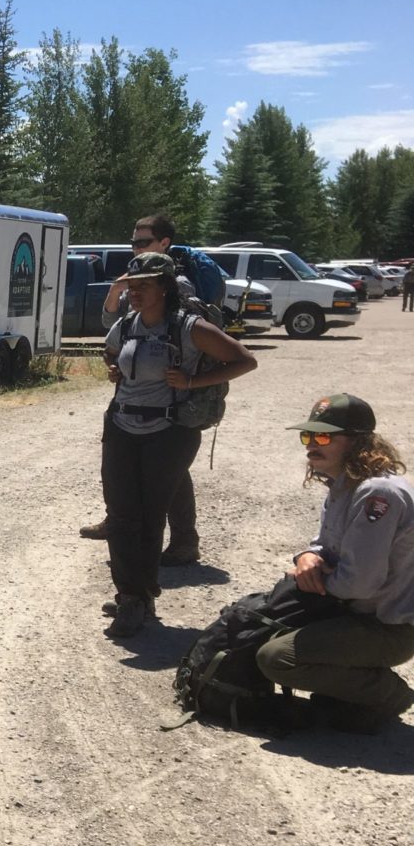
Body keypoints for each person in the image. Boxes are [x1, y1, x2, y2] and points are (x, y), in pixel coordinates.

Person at [99, 253, 257, 638]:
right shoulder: (128, 324)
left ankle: (137, 597)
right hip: (121, 424)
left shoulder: (189, 328)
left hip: (170, 432)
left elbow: (244, 360)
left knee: (150, 517)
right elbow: (110, 352)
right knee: (120, 516)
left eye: (144, 285)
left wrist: (191, 383)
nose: (134, 293)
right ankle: (132, 594)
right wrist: (115, 368)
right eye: (132, 286)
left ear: (165, 288)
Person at [255, 395, 414, 731]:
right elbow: (324, 545)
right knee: (258, 630)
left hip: (387, 628)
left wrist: (311, 580)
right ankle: (350, 686)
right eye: (308, 437)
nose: (312, 445)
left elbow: (359, 584)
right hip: (353, 613)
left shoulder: (377, 494)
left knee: (276, 657)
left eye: (324, 437)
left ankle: (387, 694)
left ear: (357, 443)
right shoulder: (345, 483)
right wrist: (308, 557)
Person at [83, 213, 201, 564]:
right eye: (133, 241)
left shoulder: (176, 284)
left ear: (163, 243)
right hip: (131, 396)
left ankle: (182, 540)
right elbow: (111, 325)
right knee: (124, 470)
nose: (134, 247)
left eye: (142, 242)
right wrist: (118, 288)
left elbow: (187, 333)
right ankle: (120, 522)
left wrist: (191, 382)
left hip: (169, 404)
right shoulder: (134, 283)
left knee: (173, 473)